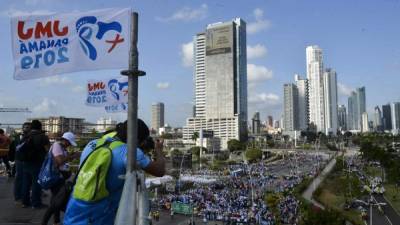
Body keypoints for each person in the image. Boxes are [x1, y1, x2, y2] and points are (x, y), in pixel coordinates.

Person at [64, 119, 166, 225]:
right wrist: (159, 150)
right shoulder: (129, 152)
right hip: (99, 215)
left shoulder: (93, 144)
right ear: (136, 139)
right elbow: (160, 171)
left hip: (74, 207)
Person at [42, 132, 79, 225]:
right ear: (65, 140)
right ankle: (46, 222)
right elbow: (60, 161)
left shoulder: (61, 147)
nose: (70, 145)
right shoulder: (57, 146)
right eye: (69, 143)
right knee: (56, 202)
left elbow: (62, 160)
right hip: (56, 177)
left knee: (56, 200)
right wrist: (72, 156)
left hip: (59, 176)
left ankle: (56, 221)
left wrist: (69, 155)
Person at [21, 120, 50, 208]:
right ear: (40, 127)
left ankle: (25, 202)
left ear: (31, 127)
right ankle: (36, 203)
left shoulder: (25, 136)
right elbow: (48, 150)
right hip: (37, 163)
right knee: (36, 183)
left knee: (26, 183)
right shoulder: (42, 136)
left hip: (25, 162)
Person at [14, 122, 31, 203]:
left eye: (28, 127)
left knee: (25, 178)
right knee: (19, 178)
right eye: (26, 127)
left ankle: (22, 195)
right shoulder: (19, 137)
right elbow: (15, 148)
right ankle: (17, 196)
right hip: (19, 160)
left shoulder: (30, 137)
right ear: (23, 128)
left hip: (26, 160)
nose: (27, 129)